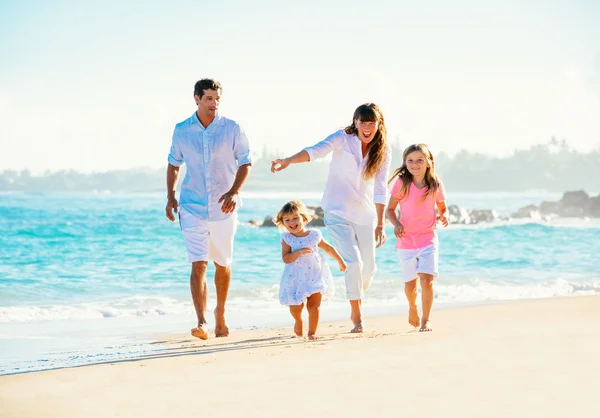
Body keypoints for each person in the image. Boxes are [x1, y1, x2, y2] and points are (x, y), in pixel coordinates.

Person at [271, 103, 391, 333]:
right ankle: (357, 314)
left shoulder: (383, 149)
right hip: (336, 212)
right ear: (355, 122)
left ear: (378, 124)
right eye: (362, 122)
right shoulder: (342, 138)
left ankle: (357, 294)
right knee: (353, 263)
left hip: (365, 214)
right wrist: (288, 160)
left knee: (369, 268)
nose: (366, 128)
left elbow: (381, 187)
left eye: (371, 123)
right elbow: (315, 151)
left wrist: (381, 222)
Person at [165, 78, 252, 340]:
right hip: (191, 206)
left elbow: (246, 162)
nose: (214, 104)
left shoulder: (232, 128)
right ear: (196, 99)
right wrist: (170, 197)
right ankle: (201, 322)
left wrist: (235, 191)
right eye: (209, 99)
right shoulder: (182, 130)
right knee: (198, 263)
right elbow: (173, 163)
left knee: (222, 263)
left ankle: (220, 313)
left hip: (224, 207)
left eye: (217, 99)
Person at [385, 144, 448, 332]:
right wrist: (396, 224)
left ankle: (426, 320)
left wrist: (443, 215)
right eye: (410, 160)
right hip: (406, 241)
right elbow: (390, 209)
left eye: (420, 160)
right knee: (410, 286)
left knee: (427, 279)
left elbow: (442, 207)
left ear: (428, 162)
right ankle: (412, 307)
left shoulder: (434, 183)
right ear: (405, 163)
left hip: (428, 238)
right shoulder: (402, 183)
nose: (415, 164)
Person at [274, 200, 346, 340]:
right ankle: (298, 320)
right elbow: (286, 258)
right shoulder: (287, 238)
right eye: (287, 220)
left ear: (304, 218)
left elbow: (328, 248)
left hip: (315, 275)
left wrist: (340, 261)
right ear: (283, 223)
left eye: (295, 218)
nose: (292, 222)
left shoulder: (314, 235)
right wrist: (299, 253)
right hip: (295, 277)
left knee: (314, 307)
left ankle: (312, 332)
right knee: (295, 307)